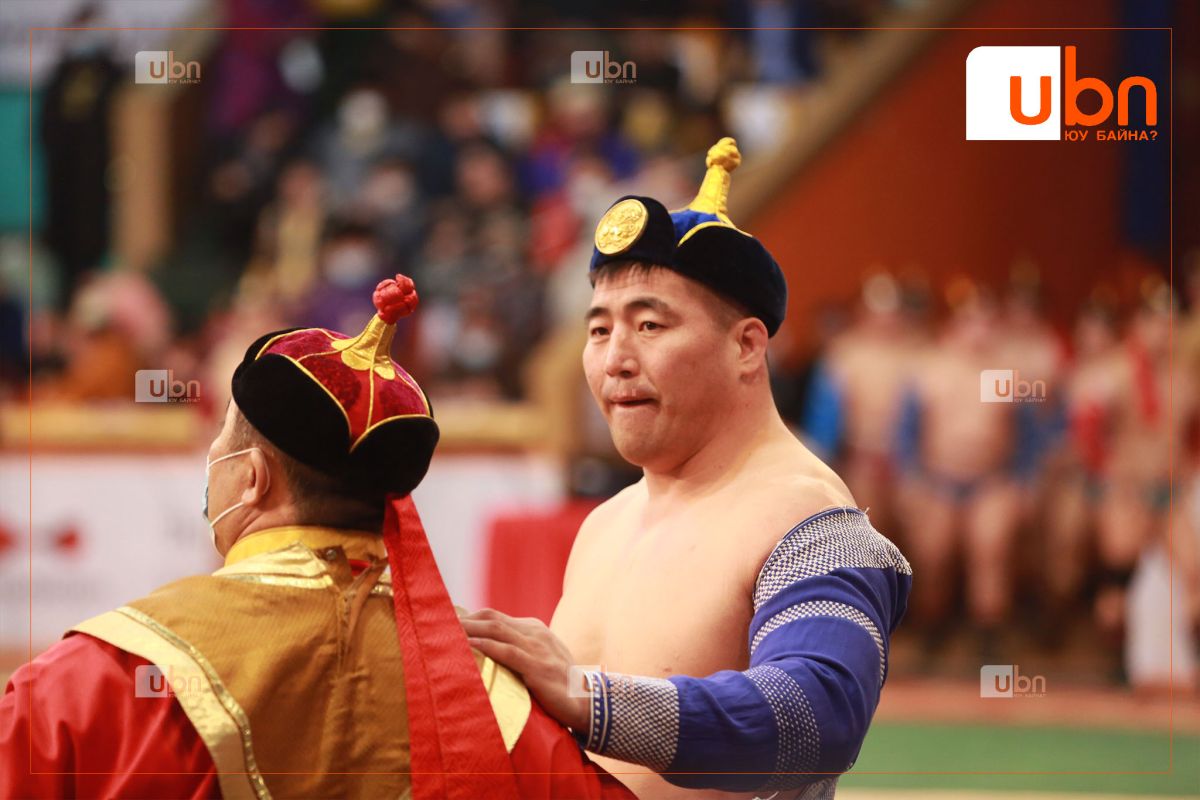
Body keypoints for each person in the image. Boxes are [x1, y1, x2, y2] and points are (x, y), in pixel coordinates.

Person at [1, 275, 631, 799]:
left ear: (252, 478)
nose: (211, 458)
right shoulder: (493, 697)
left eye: (221, 440)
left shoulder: (103, 678)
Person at [463, 138, 912, 798]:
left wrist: (589, 697)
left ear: (747, 346)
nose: (615, 359)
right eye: (599, 330)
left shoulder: (811, 517)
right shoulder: (606, 523)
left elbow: (817, 714)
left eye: (649, 326)